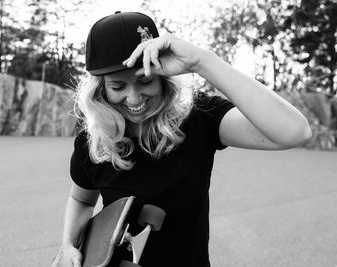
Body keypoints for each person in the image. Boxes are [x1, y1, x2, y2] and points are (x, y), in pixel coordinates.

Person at [52, 11, 312, 267]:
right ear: (101, 90)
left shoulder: (200, 117)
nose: (133, 98)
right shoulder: (94, 141)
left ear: (162, 77)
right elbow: (82, 200)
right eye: (118, 87)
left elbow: (294, 132)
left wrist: (201, 61)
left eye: (145, 80)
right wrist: (68, 244)